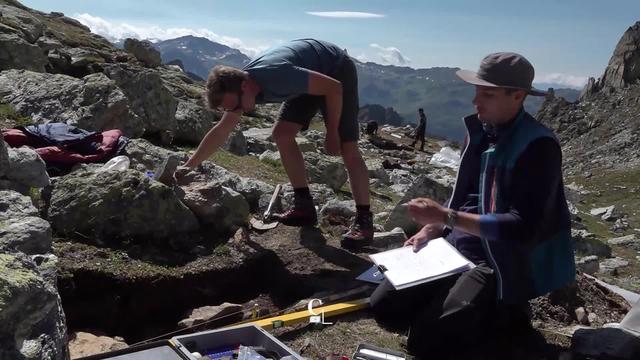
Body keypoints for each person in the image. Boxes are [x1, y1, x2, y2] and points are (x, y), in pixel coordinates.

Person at [370, 52, 576, 358]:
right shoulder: (479, 133)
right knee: (383, 308)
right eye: (476, 91)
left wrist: (446, 216)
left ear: (517, 96)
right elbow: (464, 196)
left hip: (500, 261)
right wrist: (432, 227)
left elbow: (522, 227)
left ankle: (507, 315)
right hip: (454, 247)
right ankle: (458, 306)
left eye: (487, 94)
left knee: (427, 341)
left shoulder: (538, 146)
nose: (476, 102)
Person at [177, 39, 373, 247]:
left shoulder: (279, 75)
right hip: (306, 75)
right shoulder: (239, 90)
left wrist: (332, 132)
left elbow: (334, 88)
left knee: (347, 146)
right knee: (282, 133)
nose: (234, 111)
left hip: (335, 69)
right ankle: (304, 207)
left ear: (245, 85)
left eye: (233, 105)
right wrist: (189, 165)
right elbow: (221, 130)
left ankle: (364, 222)